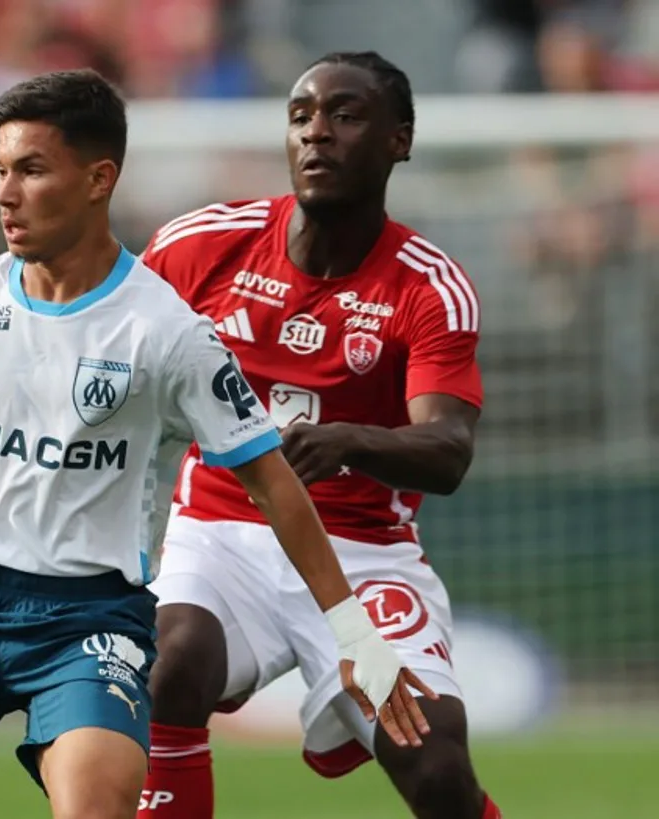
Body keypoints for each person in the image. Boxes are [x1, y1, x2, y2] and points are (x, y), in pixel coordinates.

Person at [0, 68, 426, 819]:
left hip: (87, 623)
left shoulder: (166, 331)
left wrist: (355, 634)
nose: (5, 193)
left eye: (30, 169)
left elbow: (275, 483)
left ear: (98, 179)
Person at [137, 52, 502, 819]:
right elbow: (107, 357)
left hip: (363, 551)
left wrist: (347, 440)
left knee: (437, 771)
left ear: (399, 140)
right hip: (219, 534)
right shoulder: (199, 245)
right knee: (169, 666)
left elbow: (448, 450)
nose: (317, 134)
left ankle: (349, 703)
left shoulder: (429, 286)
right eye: (301, 115)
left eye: (345, 115)